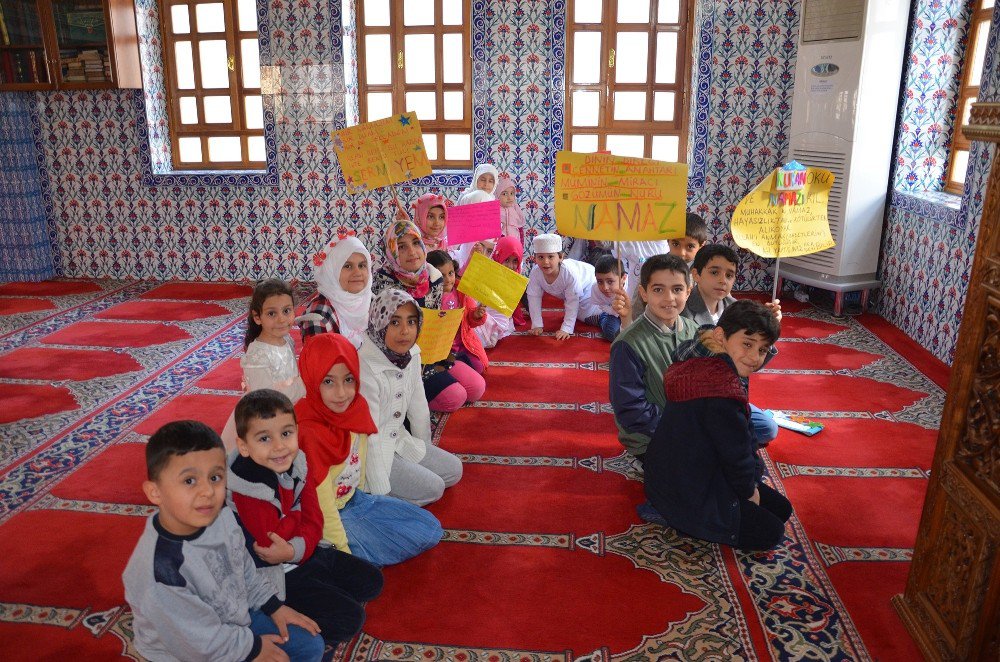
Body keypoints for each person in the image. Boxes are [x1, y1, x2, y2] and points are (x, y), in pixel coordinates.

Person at [122, 420, 324, 662]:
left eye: (215, 477)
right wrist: (253, 649)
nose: (207, 491)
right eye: (189, 481)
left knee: (310, 645)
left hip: (233, 616)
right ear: (155, 492)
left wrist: (273, 606)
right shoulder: (162, 572)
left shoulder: (220, 514)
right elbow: (197, 642)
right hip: (191, 651)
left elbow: (244, 567)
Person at [227, 389, 384, 644]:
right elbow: (269, 543)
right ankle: (273, 619)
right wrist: (300, 519)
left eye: (286, 434)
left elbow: (315, 518)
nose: (279, 446)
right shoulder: (248, 483)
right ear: (244, 446)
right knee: (350, 620)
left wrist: (296, 538)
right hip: (276, 575)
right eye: (264, 438)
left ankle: (318, 589)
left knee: (372, 581)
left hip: (301, 553)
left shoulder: (298, 460)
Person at [641, 300, 793, 550]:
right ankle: (674, 516)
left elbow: (745, 435)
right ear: (722, 336)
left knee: (781, 509)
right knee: (772, 532)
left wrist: (753, 480)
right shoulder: (719, 387)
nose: (754, 357)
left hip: (676, 474)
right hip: (688, 489)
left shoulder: (702, 353)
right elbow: (736, 455)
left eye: (763, 349)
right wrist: (748, 491)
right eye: (747, 344)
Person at [296, 333, 444, 565]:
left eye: (348, 379)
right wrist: (342, 550)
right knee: (367, 571)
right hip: (324, 517)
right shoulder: (309, 431)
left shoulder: (356, 408)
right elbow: (321, 504)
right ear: (312, 379)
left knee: (430, 528)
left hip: (356, 500)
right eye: (328, 381)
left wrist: (370, 502)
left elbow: (360, 463)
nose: (341, 392)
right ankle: (330, 553)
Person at [358, 289, 464, 506]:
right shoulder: (365, 365)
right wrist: (380, 490)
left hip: (398, 438)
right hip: (371, 453)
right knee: (434, 488)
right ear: (380, 323)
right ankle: (368, 493)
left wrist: (422, 446)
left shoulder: (411, 354)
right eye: (395, 323)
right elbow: (370, 433)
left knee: (454, 470)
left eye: (411, 322)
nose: (405, 331)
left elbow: (418, 404)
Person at [683, 244, 782, 445]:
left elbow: (748, 364)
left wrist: (766, 330)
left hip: (727, 394)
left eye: (730, 275)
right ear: (696, 274)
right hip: (695, 396)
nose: (722, 280)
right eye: (714, 272)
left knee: (768, 428)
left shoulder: (737, 308)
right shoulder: (682, 309)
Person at [609, 254, 699, 464]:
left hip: (691, 427)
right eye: (658, 289)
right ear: (643, 293)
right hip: (650, 439)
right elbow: (631, 410)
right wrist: (683, 429)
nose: (669, 298)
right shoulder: (628, 345)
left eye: (677, 289)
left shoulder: (696, 332)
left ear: (688, 292)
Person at [221, 278, 305, 450]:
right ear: (257, 317)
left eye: (287, 311)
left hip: (288, 407)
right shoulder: (257, 355)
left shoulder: (287, 340)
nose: (282, 319)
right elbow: (265, 399)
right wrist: (304, 385)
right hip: (265, 416)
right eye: (272, 313)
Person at [299, 230, 372, 348]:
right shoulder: (319, 315)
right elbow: (319, 362)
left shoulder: (373, 303)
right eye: (347, 266)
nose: (357, 272)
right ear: (332, 270)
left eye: (362, 265)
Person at [426, 250, 489, 374]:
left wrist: (475, 315)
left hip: (463, 344)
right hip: (441, 348)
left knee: (479, 367)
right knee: (455, 369)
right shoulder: (428, 297)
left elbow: (470, 322)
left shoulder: (461, 292)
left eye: (450, 273)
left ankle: (458, 366)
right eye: (441, 275)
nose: (448, 279)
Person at [526, 233, 598, 341]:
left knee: (585, 316)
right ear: (535, 258)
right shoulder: (536, 272)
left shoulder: (569, 273)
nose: (545, 262)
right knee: (578, 314)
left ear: (560, 257)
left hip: (591, 286)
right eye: (540, 257)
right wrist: (537, 325)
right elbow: (533, 297)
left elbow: (572, 301)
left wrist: (566, 328)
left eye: (550, 256)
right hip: (571, 293)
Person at [371, 220, 444, 310]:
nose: (412, 252)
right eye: (401, 247)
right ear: (391, 252)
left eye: (416, 243)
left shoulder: (435, 279)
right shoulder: (381, 282)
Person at [474, 234, 526, 348]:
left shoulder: (516, 277)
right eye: (506, 260)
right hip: (479, 313)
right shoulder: (486, 272)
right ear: (498, 256)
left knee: (487, 338)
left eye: (515, 261)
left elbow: (504, 312)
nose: (510, 266)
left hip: (499, 320)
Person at [585, 254, 633, 342]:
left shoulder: (632, 287)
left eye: (610, 281)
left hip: (631, 314)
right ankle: (601, 319)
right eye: (600, 282)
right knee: (611, 333)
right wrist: (614, 311)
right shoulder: (595, 289)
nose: (605, 287)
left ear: (623, 278)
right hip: (611, 313)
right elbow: (602, 306)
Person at [494, 176, 526, 245]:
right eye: (504, 194)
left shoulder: (515, 209)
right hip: (500, 244)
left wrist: (521, 245)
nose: (509, 197)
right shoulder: (495, 210)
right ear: (497, 195)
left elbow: (520, 229)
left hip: (515, 243)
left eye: (512, 193)